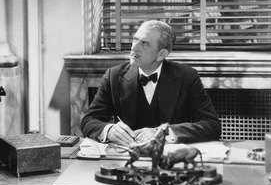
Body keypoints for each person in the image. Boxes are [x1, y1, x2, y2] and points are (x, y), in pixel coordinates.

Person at [80, 20, 221, 146]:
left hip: (170, 161)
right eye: (135, 39)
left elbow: (212, 126)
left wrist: (166, 133)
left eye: (144, 43)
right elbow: (89, 121)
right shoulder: (114, 76)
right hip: (127, 160)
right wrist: (108, 130)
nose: (134, 48)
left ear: (161, 54)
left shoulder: (187, 77)